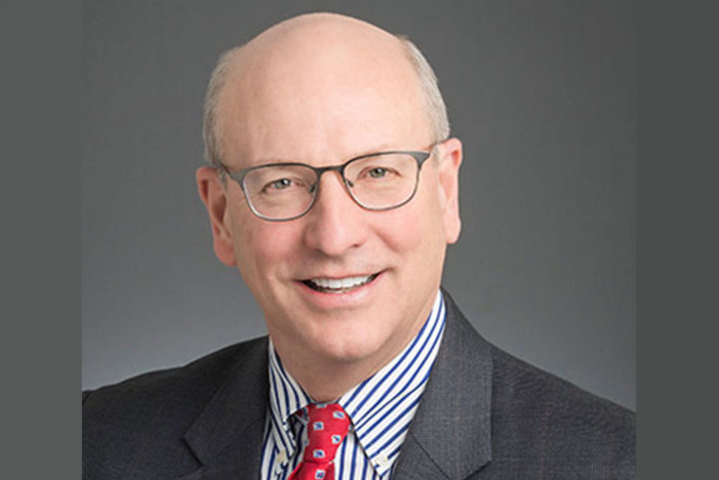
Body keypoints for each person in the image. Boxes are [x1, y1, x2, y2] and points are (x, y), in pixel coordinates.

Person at [82, 12, 635, 480]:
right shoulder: (95, 444)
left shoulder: (616, 463)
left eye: (377, 173)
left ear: (446, 190)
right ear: (221, 215)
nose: (334, 235)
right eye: (282, 182)